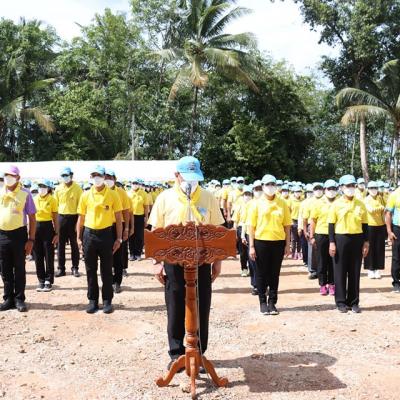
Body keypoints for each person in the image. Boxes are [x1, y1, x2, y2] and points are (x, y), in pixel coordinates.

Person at [149, 156, 224, 369]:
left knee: (201, 305)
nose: (191, 182)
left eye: (194, 178)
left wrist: (217, 261)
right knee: (175, 305)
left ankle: (198, 353)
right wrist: (157, 262)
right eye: (186, 177)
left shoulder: (208, 197)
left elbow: (219, 231)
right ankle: (176, 353)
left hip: (202, 260)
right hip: (173, 261)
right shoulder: (165, 198)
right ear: (176, 175)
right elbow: (155, 232)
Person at [77, 166, 123, 314]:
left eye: (99, 175)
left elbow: (118, 218)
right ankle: (92, 300)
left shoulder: (113, 194)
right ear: (91, 177)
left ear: (104, 177)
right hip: (89, 235)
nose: (96, 178)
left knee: (106, 269)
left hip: (106, 234)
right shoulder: (85, 195)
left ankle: (107, 300)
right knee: (90, 269)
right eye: (94, 175)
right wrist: (78, 238)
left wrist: (119, 238)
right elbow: (81, 218)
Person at [248, 174, 291, 315]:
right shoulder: (256, 203)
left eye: (273, 184)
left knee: (274, 274)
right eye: (267, 184)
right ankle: (262, 302)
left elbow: (287, 225)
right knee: (261, 273)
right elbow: (251, 226)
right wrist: (251, 246)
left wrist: (288, 244)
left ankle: (272, 302)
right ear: (262, 186)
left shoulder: (282, 203)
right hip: (261, 242)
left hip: (278, 242)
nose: (270, 187)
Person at [328, 175, 369, 313]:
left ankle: (354, 302)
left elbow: (365, 225)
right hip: (341, 238)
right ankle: (340, 302)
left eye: (352, 185)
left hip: (357, 239)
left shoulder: (360, 204)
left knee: (355, 271)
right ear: (341, 188)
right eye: (347, 186)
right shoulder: (336, 204)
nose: (350, 188)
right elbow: (331, 225)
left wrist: (366, 242)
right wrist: (332, 242)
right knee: (340, 271)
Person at [0, 165, 36, 312]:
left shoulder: (25, 193)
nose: (8, 178)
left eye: (11, 175)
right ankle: (8, 298)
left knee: (19, 267)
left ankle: (19, 298)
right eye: (6, 175)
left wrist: (31, 239)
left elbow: (32, 217)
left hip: (19, 235)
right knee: (5, 268)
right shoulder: (0, 191)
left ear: (18, 178)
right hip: (2, 234)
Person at [104, 169, 132, 293]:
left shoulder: (121, 192)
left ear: (115, 179)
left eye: (110, 177)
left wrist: (126, 229)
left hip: (118, 226)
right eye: (105, 177)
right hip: (104, 227)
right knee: (106, 256)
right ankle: (108, 281)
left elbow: (126, 212)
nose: (107, 180)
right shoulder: (101, 192)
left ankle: (117, 282)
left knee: (118, 256)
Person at [309, 179, 337, 296]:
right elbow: (313, 220)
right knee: (322, 260)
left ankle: (332, 284)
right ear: (325, 190)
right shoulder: (318, 203)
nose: (331, 191)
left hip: (336, 234)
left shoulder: (339, 201)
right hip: (321, 234)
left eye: (334, 189)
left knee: (333, 260)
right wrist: (312, 236)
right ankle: (322, 284)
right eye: (329, 189)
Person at [54, 167, 82, 277]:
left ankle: (75, 268)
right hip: (61, 218)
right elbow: (55, 207)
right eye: (63, 176)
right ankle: (61, 268)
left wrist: (78, 223)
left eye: (66, 175)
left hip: (73, 218)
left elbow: (80, 207)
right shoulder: (58, 188)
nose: (65, 177)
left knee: (74, 245)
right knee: (60, 245)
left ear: (71, 175)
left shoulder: (78, 188)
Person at [33, 179, 59, 292]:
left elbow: (55, 218)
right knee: (37, 256)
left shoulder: (52, 200)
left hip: (48, 228)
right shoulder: (34, 199)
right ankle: (41, 280)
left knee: (49, 255)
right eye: (40, 186)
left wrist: (57, 233)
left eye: (44, 186)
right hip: (36, 227)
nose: (41, 188)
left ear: (48, 188)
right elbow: (30, 217)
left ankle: (48, 279)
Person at [364, 181, 385, 279]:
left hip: (380, 225)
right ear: (368, 189)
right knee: (370, 247)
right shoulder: (366, 199)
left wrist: (381, 208)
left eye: (375, 188)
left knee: (379, 248)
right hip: (370, 225)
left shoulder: (380, 198)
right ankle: (370, 268)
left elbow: (384, 209)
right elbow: (371, 210)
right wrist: (380, 208)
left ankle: (377, 269)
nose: (373, 190)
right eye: (371, 188)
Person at [233, 185, 253, 277]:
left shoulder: (254, 205)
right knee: (243, 252)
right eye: (246, 194)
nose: (247, 196)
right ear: (243, 195)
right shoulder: (239, 206)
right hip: (241, 229)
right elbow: (235, 221)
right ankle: (244, 268)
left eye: (249, 194)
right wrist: (234, 233)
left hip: (252, 229)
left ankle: (252, 268)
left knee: (251, 250)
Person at [128, 178, 149, 262]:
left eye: (136, 183)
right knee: (131, 235)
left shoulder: (143, 193)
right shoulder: (128, 193)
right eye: (133, 183)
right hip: (130, 216)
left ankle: (138, 253)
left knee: (139, 235)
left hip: (140, 217)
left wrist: (146, 218)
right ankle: (132, 253)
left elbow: (146, 207)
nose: (135, 184)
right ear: (131, 183)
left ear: (139, 184)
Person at [385, 185, 400, 292]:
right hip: (397, 228)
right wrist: (389, 231)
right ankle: (396, 282)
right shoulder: (394, 194)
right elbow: (388, 213)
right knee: (397, 256)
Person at [289, 185, 303, 259]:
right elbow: (288, 212)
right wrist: (290, 221)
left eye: (299, 191)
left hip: (301, 220)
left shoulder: (303, 200)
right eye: (297, 191)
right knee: (294, 238)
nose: (298, 193)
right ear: (294, 192)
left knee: (300, 237)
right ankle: (293, 253)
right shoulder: (291, 200)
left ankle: (299, 252)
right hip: (293, 220)